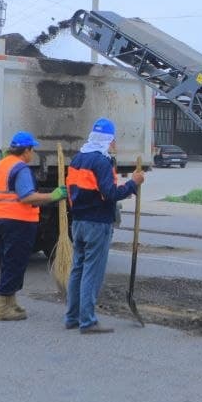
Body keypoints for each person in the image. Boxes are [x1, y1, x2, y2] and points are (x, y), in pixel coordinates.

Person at [63, 118, 145, 334]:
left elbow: (70, 191)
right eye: (114, 140)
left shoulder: (77, 159)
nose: (115, 144)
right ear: (109, 141)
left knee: (77, 269)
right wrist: (132, 184)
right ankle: (87, 321)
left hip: (78, 221)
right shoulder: (102, 162)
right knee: (92, 270)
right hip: (97, 223)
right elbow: (111, 194)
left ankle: (72, 317)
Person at [0, 131, 67, 321]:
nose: (32, 153)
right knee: (15, 264)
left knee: (9, 262)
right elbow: (27, 196)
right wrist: (53, 196)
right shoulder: (21, 168)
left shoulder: (1, 165)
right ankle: (1, 308)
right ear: (26, 150)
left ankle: (11, 302)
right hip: (18, 222)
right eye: (32, 149)